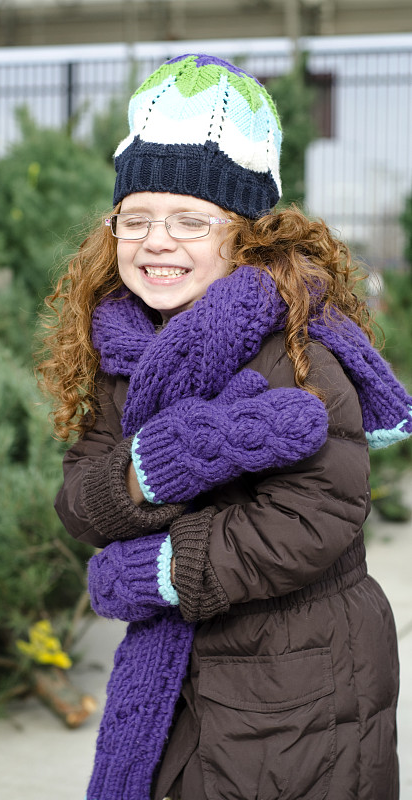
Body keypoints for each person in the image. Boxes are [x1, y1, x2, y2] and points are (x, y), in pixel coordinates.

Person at [39, 54, 411, 800]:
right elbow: (82, 494)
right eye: (135, 219)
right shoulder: (122, 349)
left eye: (189, 220)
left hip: (296, 682)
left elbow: (320, 513)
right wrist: (152, 468)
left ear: (245, 235)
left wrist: (165, 570)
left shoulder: (298, 341)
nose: (157, 241)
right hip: (176, 675)